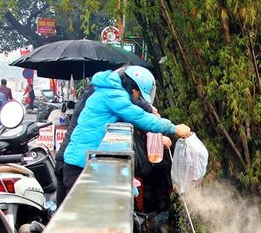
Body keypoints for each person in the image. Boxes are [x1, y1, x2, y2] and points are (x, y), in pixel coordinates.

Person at [61, 65, 191, 199]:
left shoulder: (111, 92)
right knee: (83, 214)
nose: (138, 98)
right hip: (80, 165)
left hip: (85, 162)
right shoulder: (114, 96)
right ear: (133, 89)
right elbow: (140, 117)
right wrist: (173, 128)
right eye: (139, 94)